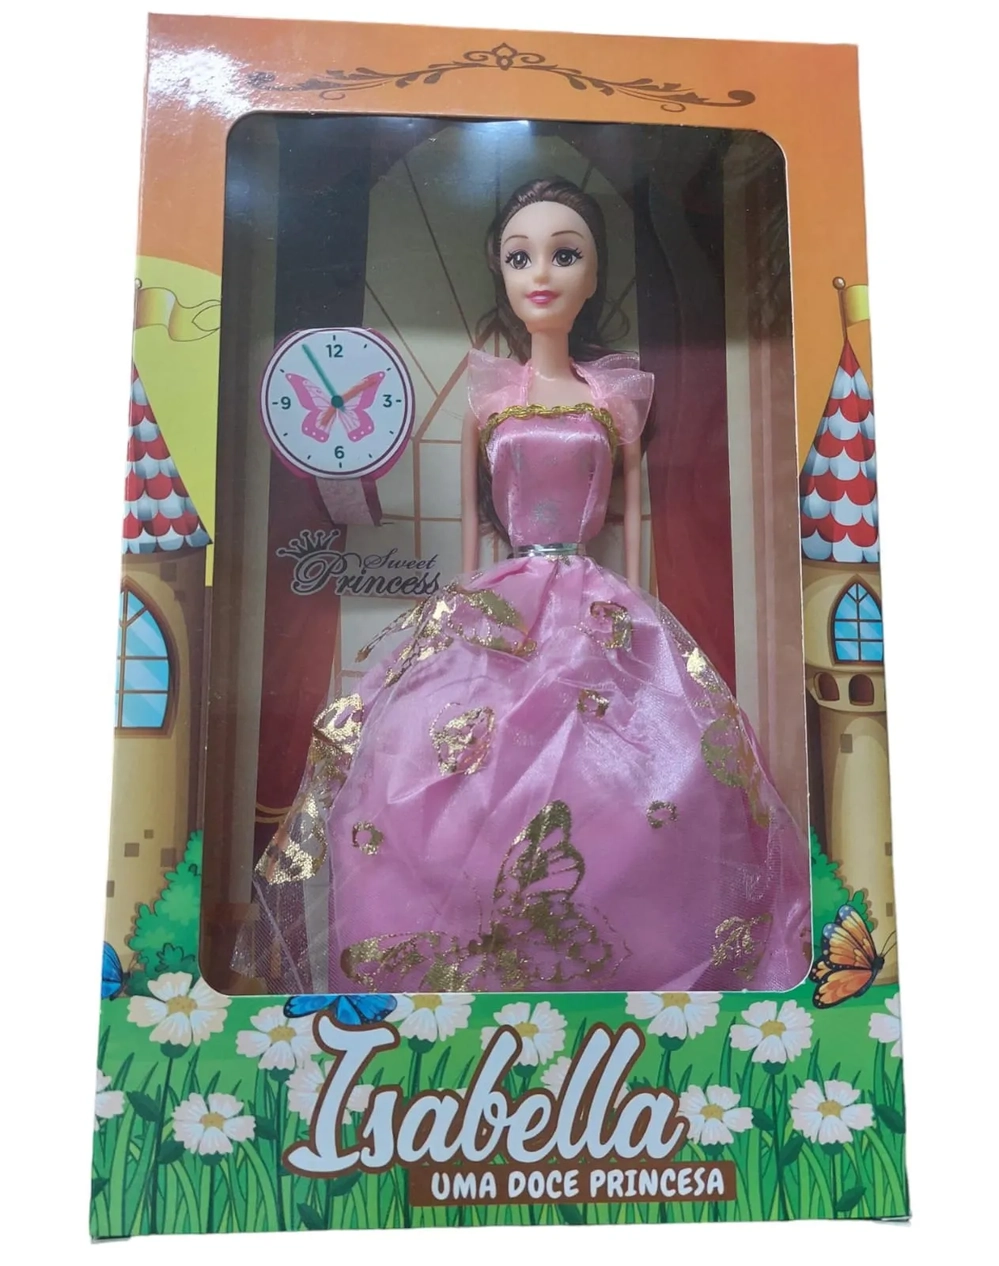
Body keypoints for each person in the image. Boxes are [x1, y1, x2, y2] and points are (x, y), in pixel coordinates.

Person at [234, 177, 810, 996]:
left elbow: (629, 527)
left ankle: (634, 952)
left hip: (596, 597)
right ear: (500, 272)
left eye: (564, 254)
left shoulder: (610, 400)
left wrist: (641, 622)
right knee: (429, 754)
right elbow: (476, 537)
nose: (540, 273)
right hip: (497, 597)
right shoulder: (490, 400)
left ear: (593, 273)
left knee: (645, 769)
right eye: (519, 257)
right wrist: (456, 627)